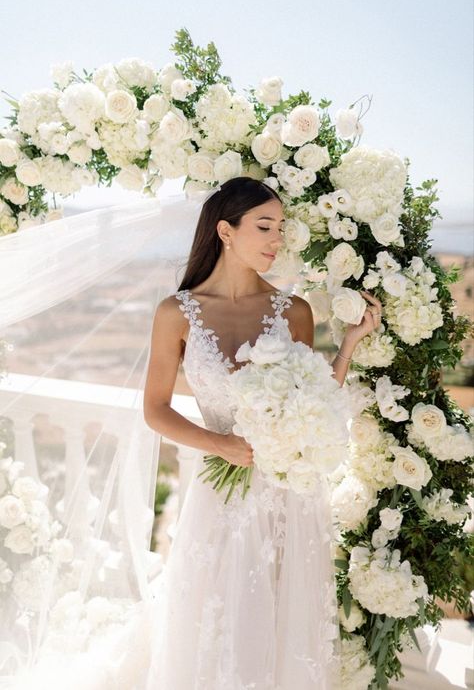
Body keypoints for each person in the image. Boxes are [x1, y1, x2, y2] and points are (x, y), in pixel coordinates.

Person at [142, 176, 382, 690]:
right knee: (217, 616)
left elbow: (314, 399)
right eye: (265, 226)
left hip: (288, 494)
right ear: (226, 232)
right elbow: (156, 410)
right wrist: (220, 445)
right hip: (218, 493)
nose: (278, 239)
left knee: (280, 616)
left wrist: (349, 346)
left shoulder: (293, 311)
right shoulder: (175, 313)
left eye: (281, 228)